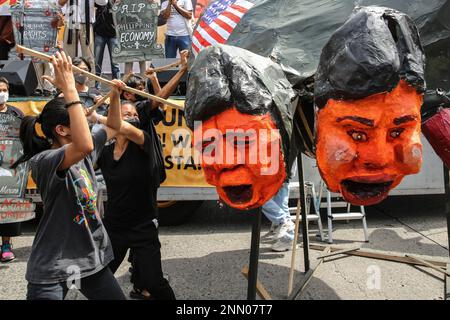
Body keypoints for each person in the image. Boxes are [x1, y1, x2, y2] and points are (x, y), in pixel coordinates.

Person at [11, 51, 125, 300]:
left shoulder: (84, 153)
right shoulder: (45, 161)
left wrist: (115, 96)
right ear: (62, 130)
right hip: (53, 266)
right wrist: (70, 88)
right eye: (80, 118)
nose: (87, 122)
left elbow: (114, 127)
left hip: (88, 260)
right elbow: (84, 144)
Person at [88, 98, 175, 300]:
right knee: (99, 279)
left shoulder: (144, 142)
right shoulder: (106, 152)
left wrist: (98, 116)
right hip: (115, 227)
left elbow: (123, 128)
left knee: (154, 283)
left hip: (143, 226)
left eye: (135, 114)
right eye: (127, 114)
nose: (133, 118)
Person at [0, 77, 24, 263]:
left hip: (10, 168)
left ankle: (6, 244)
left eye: (4, 89)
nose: (2, 93)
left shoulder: (17, 114)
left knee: (8, 206)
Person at [58, 0, 108, 74]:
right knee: (69, 56)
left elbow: (103, 2)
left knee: (88, 57)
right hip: (71, 23)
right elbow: (60, 3)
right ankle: (69, 81)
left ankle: (89, 83)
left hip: (87, 23)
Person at [94, 0, 120, 89]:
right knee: (97, 63)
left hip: (114, 35)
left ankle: (117, 87)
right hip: (99, 33)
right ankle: (96, 87)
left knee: (115, 64)